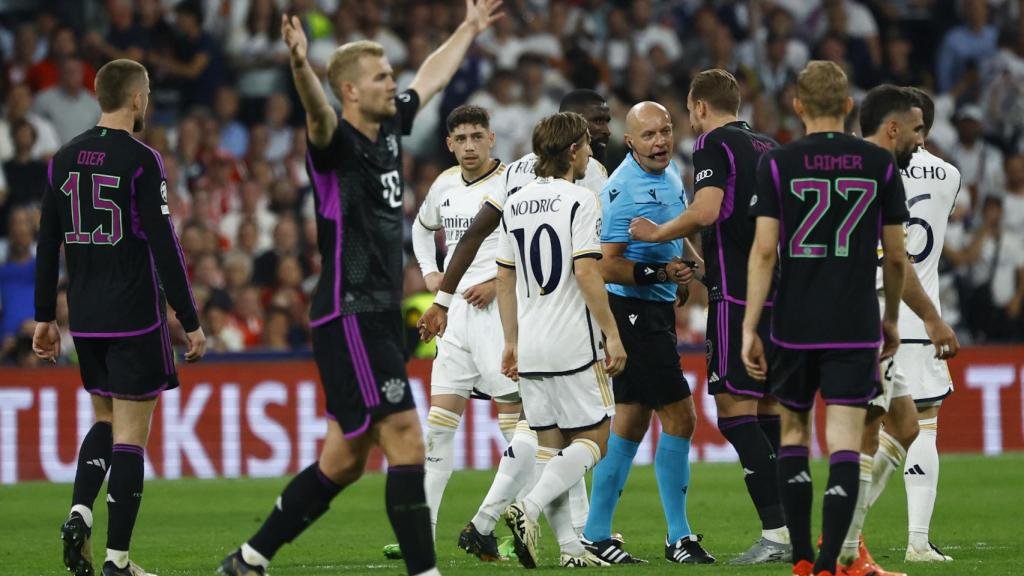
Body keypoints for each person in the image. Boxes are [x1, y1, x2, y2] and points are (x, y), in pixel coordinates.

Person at [217, 2, 503, 575]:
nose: (393, 84)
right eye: (380, 77)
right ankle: (425, 571)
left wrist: (467, 29)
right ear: (350, 90)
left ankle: (249, 559)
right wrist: (300, 65)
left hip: (373, 311)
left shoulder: (391, 121)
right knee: (406, 439)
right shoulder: (333, 141)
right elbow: (317, 114)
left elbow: (432, 76)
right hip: (349, 309)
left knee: (343, 461)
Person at [418, 90, 611, 552]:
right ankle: (520, 517)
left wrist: (444, 297)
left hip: (519, 323)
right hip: (565, 322)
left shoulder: (516, 179)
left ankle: (566, 545)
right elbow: (589, 265)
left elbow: (487, 249)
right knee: (585, 433)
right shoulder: (589, 183)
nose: (602, 131)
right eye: (594, 125)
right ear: (573, 140)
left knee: (543, 435)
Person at [34, 58, 205, 576]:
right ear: (136, 99)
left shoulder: (62, 158)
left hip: (84, 317)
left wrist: (46, 317)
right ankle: (117, 561)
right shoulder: (141, 160)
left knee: (104, 421)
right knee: (131, 435)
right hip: (134, 314)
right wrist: (189, 317)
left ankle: (80, 511)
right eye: (147, 93)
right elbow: (164, 242)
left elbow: (47, 243)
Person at [741, 61, 909, 576]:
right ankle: (833, 564)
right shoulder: (878, 163)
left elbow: (764, 252)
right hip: (856, 321)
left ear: (797, 107)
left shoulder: (777, 163)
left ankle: (802, 560)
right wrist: (891, 318)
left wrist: (750, 326)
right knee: (844, 441)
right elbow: (898, 257)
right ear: (847, 106)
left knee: (792, 432)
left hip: (794, 321)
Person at [628, 69, 790, 565]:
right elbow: (749, 223)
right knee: (768, 411)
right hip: (778, 293)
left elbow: (707, 209)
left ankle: (778, 533)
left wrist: (657, 235)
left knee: (735, 412)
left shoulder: (712, 145)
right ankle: (792, 526)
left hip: (738, 297)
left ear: (698, 107)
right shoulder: (768, 146)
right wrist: (701, 266)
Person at [580, 100, 712, 566]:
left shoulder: (670, 172)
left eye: (665, 131)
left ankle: (595, 534)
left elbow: (670, 231)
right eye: (649, 135)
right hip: (632, 311)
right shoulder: (624, 189)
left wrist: (690, 265)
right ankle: (678, 537)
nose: (659, 141)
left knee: (631, 425)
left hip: (653, 310)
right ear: (630, 141)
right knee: (681, 418)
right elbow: (607, 263)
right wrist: (661, 275)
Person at [839, 86, 961, 576]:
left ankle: (846, 534)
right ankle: (912, 540)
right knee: (917, 425)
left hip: (879, 313)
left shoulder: (859, 166)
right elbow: (905, 250)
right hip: (903, 310)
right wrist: (932, 317)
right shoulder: (948, 174)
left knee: (895, 427)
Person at [498, 111, 624, 568]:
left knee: (550, 448)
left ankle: (570, 550)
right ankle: (527, 506)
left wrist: (510, 341)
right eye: (587, 145)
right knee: (596, 439)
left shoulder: (514, 201)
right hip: (573, 341)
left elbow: (504, 279)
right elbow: (587, 271)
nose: (591, 152)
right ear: (573, 151)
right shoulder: (581, 198)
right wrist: (612, 334)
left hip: (530, 342)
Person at [409, 104, 522, 540]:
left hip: (499, 314)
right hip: (455, 317)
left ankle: (516, 529)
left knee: (515, 425)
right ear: (449, 144)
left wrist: (498, 282)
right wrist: (429, 274)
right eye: (462, 139)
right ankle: (423, 530)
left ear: (492, 138)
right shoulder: (444, 184)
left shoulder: (513, 183)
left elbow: (530, 244)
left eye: (478, 136)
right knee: (438, 427)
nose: (470, 146)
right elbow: (422, 229)